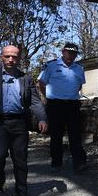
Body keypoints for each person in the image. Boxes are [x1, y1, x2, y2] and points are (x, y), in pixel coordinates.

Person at [0, 45, 48, 196]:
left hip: (19, 122)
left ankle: (21, 191)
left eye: (14, 56)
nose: (11, 59)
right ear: (1, 57)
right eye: (7, 56)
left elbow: (35, 101)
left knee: (20, 157)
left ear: (19, 58)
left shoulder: (26, 78)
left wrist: (42, 118)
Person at [38, 42, 87, 172]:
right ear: (63, 52)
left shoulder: (79, 69)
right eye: (69, 52)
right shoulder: (51, 65)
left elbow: (80, 85)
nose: (71, 55)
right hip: (55, 105)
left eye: (74, 53)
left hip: (73, 105)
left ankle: (79, 163)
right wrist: (49, 96)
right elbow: (41, 83)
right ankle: (56, 163)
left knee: (75, 135)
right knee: (56, 135)